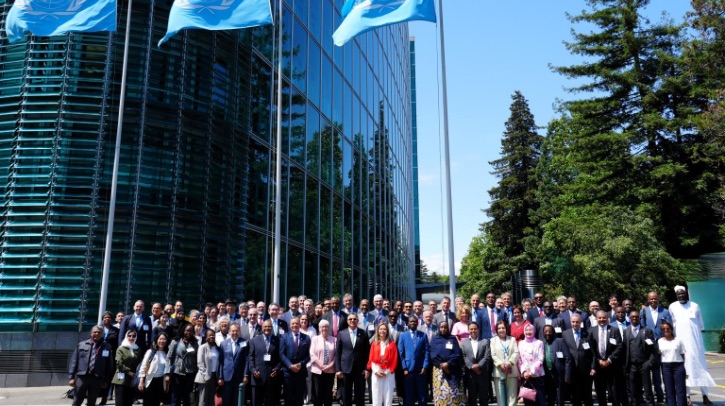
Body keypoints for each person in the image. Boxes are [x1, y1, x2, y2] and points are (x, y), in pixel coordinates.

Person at [668, 285, 716, 405]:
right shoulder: (672, 307)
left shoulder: (695, 306)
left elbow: (700, 325)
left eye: (682, 293)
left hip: (696, 345)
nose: (681, 295)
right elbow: (672, 325)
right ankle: (687, 396)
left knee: (701, 369)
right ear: (676, 295)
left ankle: (705, 396)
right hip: (682, 346)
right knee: (684, 371)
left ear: (687, 294)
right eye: (678, 294)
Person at [68, 325, 114, 406]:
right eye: (95, 332)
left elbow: (109, 365)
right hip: (82, 377)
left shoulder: (107, 347)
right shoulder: (81, 345)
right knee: (77, 401)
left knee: (92, 402)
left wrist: (106, 380)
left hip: (97, 378)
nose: (97, 334)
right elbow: (74, 361)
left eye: (99, 332)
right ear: (91, 333)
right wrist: (71, 377)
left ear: (102, 334)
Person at [639, 291, 670, 403]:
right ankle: (658, 396)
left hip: (663, 345)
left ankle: (668, 396)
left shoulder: (665, 311)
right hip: (649, 347)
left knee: (665, 371)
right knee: (654, 373)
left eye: (655, 298)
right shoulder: (643, 312)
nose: (653, 300)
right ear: (648, 299)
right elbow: (641, 328)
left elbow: (669, 327)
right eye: (651, 299)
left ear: (658, 299)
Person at [335, 312, 370, 406]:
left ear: (358, 321)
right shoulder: (342, 334)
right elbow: (337, 353)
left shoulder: (363, 333)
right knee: (346, 395)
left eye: (354, 319)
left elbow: (368, 352)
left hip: (360, 369)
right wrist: (338, 369)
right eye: (350, 319)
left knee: (360, 395)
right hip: (345, 369)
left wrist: (367, 368)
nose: (352, 321)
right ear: (347, 321)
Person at [623, 310, 657, 406]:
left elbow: (653, 348)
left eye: (636, 317)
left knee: (647, 388)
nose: (634, 318)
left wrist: (649, 363)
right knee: (633, 389)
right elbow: (624, 348)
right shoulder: (626, 331)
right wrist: (625, 365)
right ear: (629, 318)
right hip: (632, 365)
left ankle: (651, 404)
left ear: (639, 318)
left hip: (644, 364)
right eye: (632, 317)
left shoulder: (647, 330)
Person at [589, 310, 623, 406]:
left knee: (614, 390)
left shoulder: (614, 330)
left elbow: (619, 346)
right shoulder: (591, 330)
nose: (602, 319)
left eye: (604, 317)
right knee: (600, 390)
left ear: (607, 319)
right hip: (598, 365)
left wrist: (609, 360)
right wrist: (598, 360)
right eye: (599, 318)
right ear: (596, 319)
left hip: (611, 364)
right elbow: (591, 349)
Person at [430, 321, 466, 406]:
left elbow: (457, 354)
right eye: (441, 327)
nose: (443, 329)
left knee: (454, 395)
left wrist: (448, 364)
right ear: (439, 328)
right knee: (441, 395)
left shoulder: (452, 339)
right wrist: (442, 365)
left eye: (445, 327)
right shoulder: (435, 339)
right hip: (439, 371)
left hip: (453, 369)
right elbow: (432, 355)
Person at [398, 315, 430, 406]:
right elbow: (401, 353)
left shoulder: (423, 335)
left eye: (415, 321)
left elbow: (427, 352)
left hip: (421, 370)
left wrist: (425, 366)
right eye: (411, 321)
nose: (413, 323)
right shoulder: (403, 336)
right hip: (408, 370)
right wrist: (404, 368)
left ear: (418, 323)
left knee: (422, 396)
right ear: (407, 323)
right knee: (409, 396)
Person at [562, 313, 593, 406]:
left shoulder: (588, 333)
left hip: (586, 368)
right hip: (572, 368)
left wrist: (593, 367)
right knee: (575, 395)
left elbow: (593, 352)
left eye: (577, 322)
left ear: (581, 322)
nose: (575, 324)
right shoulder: (565, 334)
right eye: (573, 322)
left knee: (587, 394)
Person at [248, 319, 282, 406]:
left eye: (269, 326)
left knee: (270, 402)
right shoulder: (254, 341)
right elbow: (250, 357)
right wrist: (253, 370)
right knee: (256, 402)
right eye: (265, 326)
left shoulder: (277, 340)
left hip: (271, 376)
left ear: (272, 328)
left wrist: (277, 369)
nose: (267, 328)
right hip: (257, 376)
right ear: (262, 328)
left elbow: (280, 357)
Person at [280, 317, 312, 406]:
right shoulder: (284, 337)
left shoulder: (306, 338)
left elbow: (309, 355)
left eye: (296, 323)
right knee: (288, 397)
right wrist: (290, 365)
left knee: (299, 397)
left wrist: (301, 364)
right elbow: (282, 354)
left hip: (300, 372)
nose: (295, 325)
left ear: (300, 324)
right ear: (290, 325)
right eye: (293, 324)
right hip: (288, 372)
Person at [368, 323, 399, 406]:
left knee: (388, 397)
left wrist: (387, 372)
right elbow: (371, 359)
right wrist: (376, 371)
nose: (382, 331)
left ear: (387, 331)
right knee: (376, 397)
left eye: (384, 329)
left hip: (388, 373)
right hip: (376, 372)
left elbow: (394, 359)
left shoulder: (392, 344)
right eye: (380, 329)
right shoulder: (374, 344)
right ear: (378, 331)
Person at [461, 321, 492, 406]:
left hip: (482, 373)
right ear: (468, 330)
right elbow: (463, 356)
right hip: (470, 374)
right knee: (472, 398)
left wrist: (478, 366)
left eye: (475, 329)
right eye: (471, 329)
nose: (473, 330)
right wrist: (472, 367)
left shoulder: (485, 341)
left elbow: (487, 356)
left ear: (478, 330)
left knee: (484, 398)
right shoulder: (463, 343)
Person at [168, 324, 199, 406]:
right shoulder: (176, 341)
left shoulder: (195, 343)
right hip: (177, 372)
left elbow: (196, 358)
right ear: (183, 330)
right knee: (176, 396)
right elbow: (169, 357)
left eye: (191, 331)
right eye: (187, 330)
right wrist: (167, 372)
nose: (188, 332)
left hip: (190, 372)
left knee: (187, 396)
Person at [138, 332, 172, 406]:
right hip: (149, 381)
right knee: (148, 403)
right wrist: (141, 381)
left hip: (160, 381)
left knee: (156, 403)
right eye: (160, 339)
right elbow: (143, 366)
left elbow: (168, 367)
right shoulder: (150, 352)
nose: (162, 341)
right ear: (156, 340)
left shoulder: (167, 353)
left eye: (164, 339)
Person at [491, 319, 519, 406]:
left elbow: (516, 352)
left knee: (512, 397)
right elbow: (493, 354)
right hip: (499, 371)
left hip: (512, 370)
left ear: (506, 329)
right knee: (500, 397)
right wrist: (501, 364)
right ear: (496, 330)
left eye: (503, 328)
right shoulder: (493, 340)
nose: (501, 330)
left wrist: (509, 363)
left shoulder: (512, 339)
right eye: (499, 328)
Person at [541, 325, 571, 406]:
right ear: (543, 333)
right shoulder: (541, 343)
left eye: (550, 331)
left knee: (560, 396)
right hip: (547, 374)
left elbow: (568, 358)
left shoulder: (560, 341)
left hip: (559, 374)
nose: (548, 333)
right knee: (550, 396)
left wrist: (567, 375)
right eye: (546, 332)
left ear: (553, 332)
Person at [658, 320, 686, 406]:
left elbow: (682, 354)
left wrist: (683, 366)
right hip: (666, 366)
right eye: (663, 329)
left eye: (668, 329)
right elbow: (659, 354)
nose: (666, 330)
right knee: (669, 389)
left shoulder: (678, 340)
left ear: (671, 329)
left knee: (680, 389)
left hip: (678, 365)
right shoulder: (660, 341)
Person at [310, 319, 337, 406]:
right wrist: (321, 365)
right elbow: (311, 353)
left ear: (329, 328)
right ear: (319, 328)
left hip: (330, 370)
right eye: (322, 327)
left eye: (326, 326)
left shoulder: (334, 340)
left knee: (328, 394)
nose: (324, 328)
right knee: (317, 394)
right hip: (317, 370)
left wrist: (330, 365)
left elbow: (337, 355)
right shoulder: (314, 339)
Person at [518, 323, 545, 406]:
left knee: (540, 399)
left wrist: (531, 372)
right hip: (526, 376)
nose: (528, 332)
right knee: (528, 400)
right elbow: (519, 359)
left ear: (534, 331)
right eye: (526, 330)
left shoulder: (539, 343)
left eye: (530, 330)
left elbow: (541, 359)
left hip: (537, 375)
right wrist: (524, 372)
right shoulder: (521, 343)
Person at [111, 330, 141, 406]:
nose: (131, 338)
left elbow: (140, 363)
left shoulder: (137, 349)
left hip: (132, 379)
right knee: (120, 402)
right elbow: (119, 363)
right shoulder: (121, 348)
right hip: (121, 379)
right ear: (126, 336)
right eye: (129, 336)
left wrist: (135, 375)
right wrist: (129, 372)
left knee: (129, 402)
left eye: (134, 336)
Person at [195, 330, 221, 406]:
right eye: (209, 335)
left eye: (213, 335)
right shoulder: (202, 347)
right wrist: (206, 377)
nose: (211, 337)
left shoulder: (217, 348)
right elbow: (200, 363)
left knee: (211, 399)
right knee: (203, 400)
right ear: (206, 337)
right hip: (204, 377)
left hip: (214, 376)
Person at [100, 311, 120, 404]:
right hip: (99, 356)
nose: (107, 319)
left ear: (111, 319)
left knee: (108, 376)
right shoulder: (98, 329)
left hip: (111, 356)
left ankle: (105, 397)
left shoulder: (115, 330)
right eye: (105, 317)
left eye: (108, 318)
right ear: (102, 319)